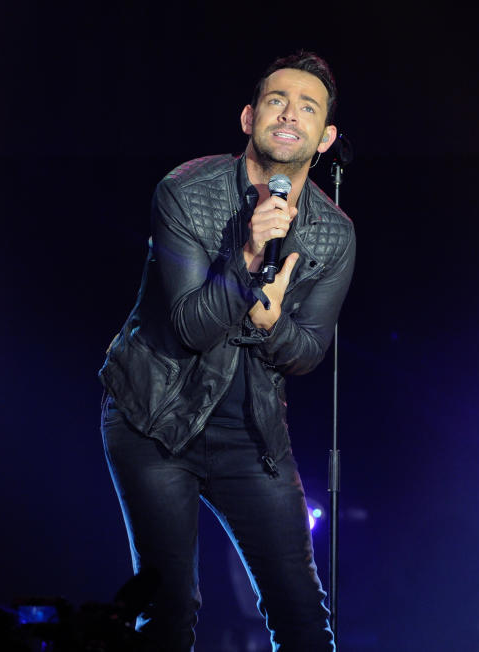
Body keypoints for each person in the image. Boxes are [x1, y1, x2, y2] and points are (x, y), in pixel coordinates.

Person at [98, 50, 354, 652]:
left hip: (252, 435)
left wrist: (270, 327)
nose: (290, 113)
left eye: (308, 107)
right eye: (276, 100)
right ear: (248, 117)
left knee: (302, 617)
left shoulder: (335, 233)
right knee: (168, 612)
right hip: (154, 418)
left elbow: (309, 350)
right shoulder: (186, 191)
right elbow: (189, 327)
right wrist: (243, 261)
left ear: (326, 137)